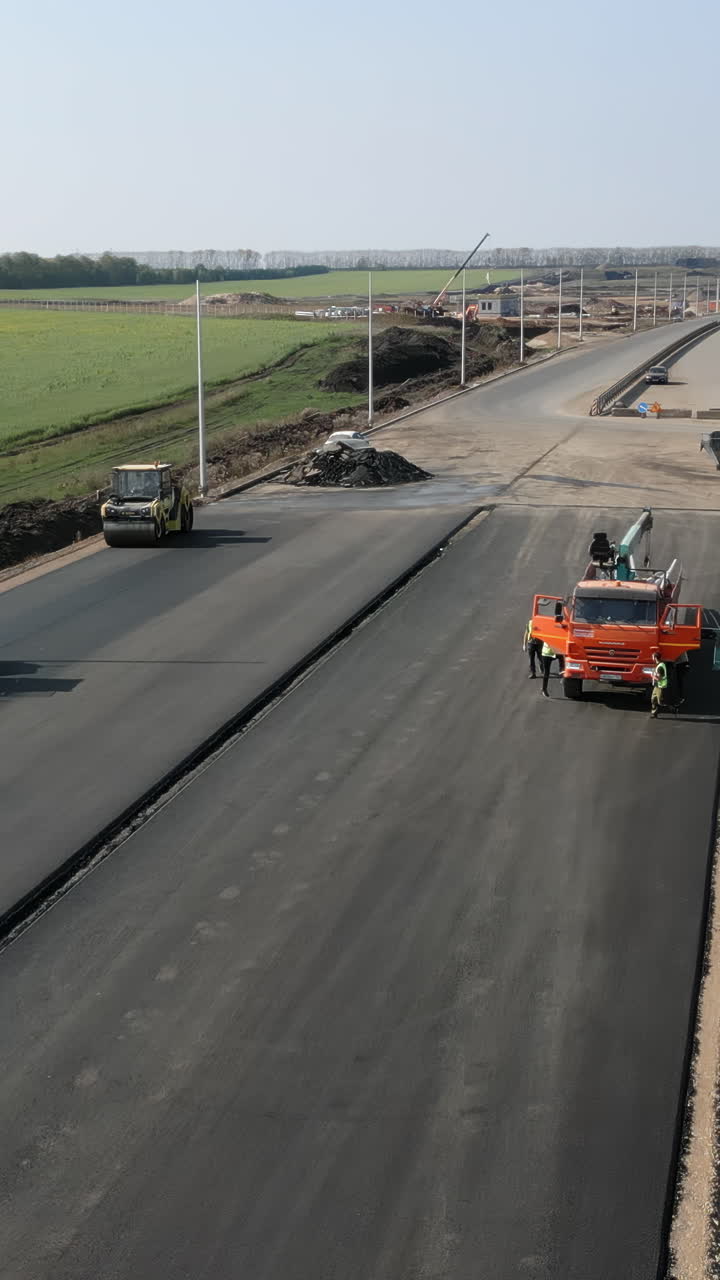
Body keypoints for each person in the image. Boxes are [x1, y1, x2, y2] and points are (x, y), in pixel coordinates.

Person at [650, 651, 669, 717]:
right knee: (653, 699)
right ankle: (654, 713)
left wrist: (652, 676)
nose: (651, 657)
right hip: (657, 686)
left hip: (660, 686)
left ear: (655, 658)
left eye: (652, 656)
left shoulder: (660, 667)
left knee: (659, 702)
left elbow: (659, 679)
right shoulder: (660, 664)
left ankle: (672, 708)